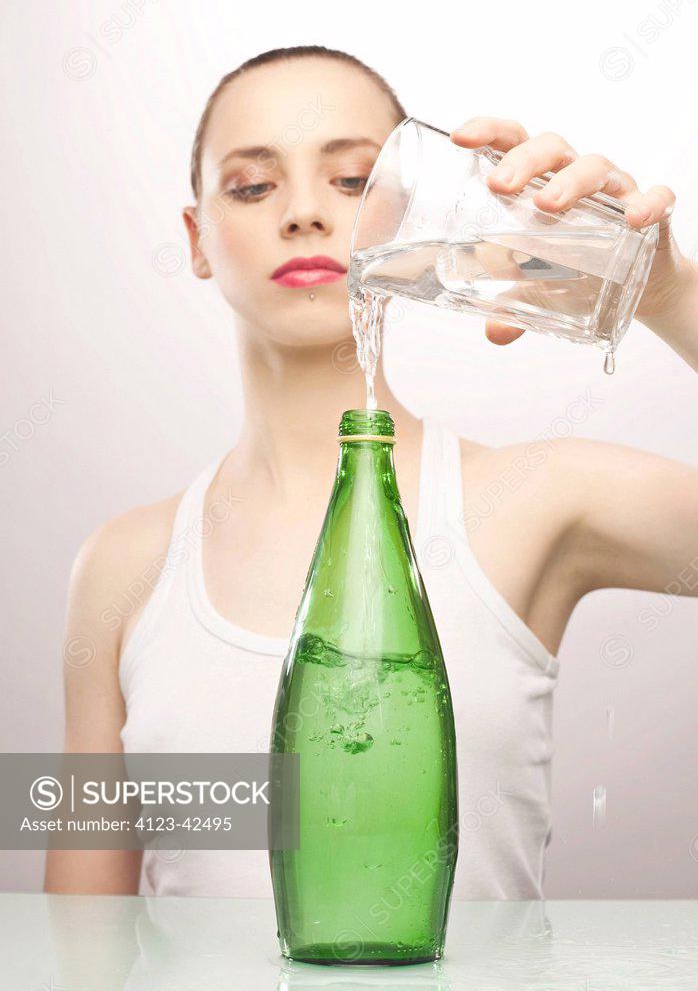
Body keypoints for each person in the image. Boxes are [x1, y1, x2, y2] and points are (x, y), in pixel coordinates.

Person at [45, 45, 698, 899]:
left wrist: (670, 297)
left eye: (354, 179)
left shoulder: (535, 502)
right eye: (252, 185)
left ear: (418, 210)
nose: (306, 213)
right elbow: (76, 940)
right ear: (197, 239)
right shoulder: (120, 566)